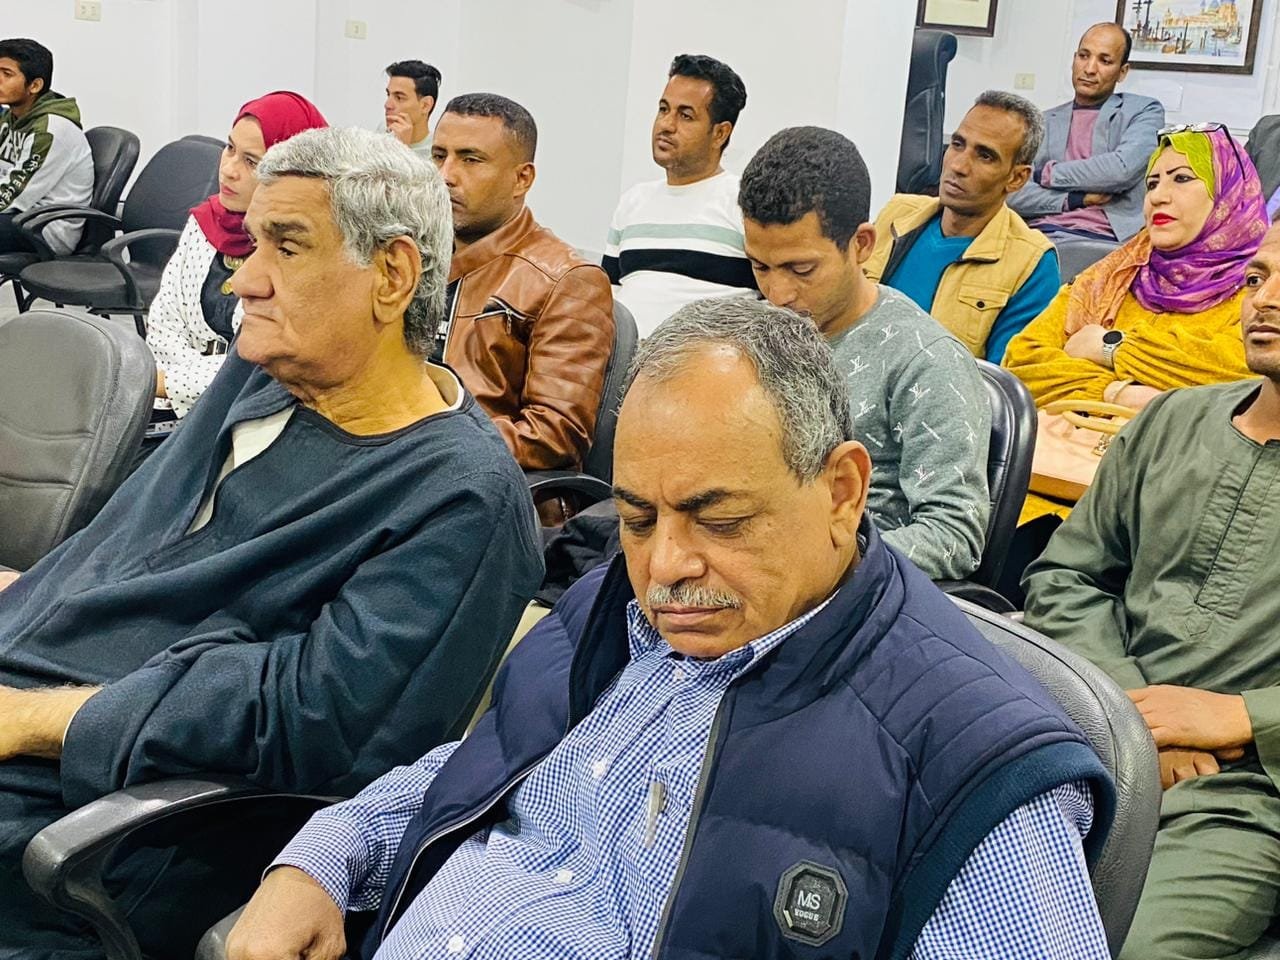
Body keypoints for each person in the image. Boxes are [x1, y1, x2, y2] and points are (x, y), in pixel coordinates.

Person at [228, 297, 1113, 960]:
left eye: (718, 519)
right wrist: (324, 855)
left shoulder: (969, 771)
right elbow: (484, 772)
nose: (665, 566)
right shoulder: (618, 609)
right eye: (638, 517)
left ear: (843, 492)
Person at [0, 127, 543, 958]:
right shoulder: (266, 370)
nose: (243, 280)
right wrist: (29, 598)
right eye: (253, 242)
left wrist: (30, 718)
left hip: (107, 822)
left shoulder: (462, 499)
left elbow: (316, 730)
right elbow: (131, 545)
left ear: (391, 276)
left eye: (285, 246)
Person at [1022, 220, 1280, 960]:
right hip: (1088, 735)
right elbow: (1067, 575)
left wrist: (1242, 715)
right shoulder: (1173, 420)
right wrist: (1134, 714)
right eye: (1257, 278)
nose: (1265, 300)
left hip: (1242, 793)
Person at [739, 125, 991, 581]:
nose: (777, 293)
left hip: (849, 588)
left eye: (801, 269)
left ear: (861, 245)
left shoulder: (926, 361)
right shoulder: (754, 331)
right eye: (760, 266)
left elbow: (953, 534)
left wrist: (817, 561)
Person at [1004, 124, 1268, 528]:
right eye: (1152, 183)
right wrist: (1123, 393)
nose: (1159, 196)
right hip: (1048, 485)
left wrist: (1111, 348)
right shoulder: (1111, 274)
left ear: (1228, 194)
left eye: (1182, 179)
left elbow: (1242, 378)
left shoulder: (1259, 290)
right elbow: (1023, 362)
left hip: (1172, 509)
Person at [431, 93, 614, 476]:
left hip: (485, 485)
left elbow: (555, 434)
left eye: (470, 159)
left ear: (522, 179)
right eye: (438, 156)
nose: (445, 175)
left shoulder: (566, 279)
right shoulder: (416, 258)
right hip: (407, 467)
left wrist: (428, 440)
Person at [141, 90, 327, 458]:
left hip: (256, 426)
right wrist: (183, 385)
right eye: (229, 148)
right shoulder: (205, 222)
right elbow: (162, 324)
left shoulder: (305, 251)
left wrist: (169, 383)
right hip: (176, 409)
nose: (228, 168)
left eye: (251, 161)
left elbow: (261, 369)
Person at [864, 91, 1061, 364]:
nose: (958, 166)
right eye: (957, 144)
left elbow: (1002, 380)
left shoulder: (1030, 263)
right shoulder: (898, 214)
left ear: (1017, 178)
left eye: (985, 156)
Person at [603, 53, 756, 337]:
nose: (666, 125)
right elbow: (608, 299)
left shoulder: (744, 203)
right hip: (622, 358)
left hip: (707, 360)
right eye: (663, 109)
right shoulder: (633, 202)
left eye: (685, 116)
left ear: (720, 133)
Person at [1009, 23, 1165, 243]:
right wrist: (1076, 199)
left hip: (1107, 238)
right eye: (1083, 56)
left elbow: (1119, 171)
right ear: (1074, 59)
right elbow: (1013, 192)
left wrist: (1045, 175)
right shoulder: (1042, 121)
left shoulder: (1143, 111)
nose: (1090, 69)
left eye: (1105, 61)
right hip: (1039, 233)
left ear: (1122, 72)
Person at [0, 38, 91, 255]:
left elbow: (13, 194)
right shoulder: (11, 118)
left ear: (34, 85)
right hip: (18, 214)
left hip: (44, 229)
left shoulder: (51, 130)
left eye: (7, 74)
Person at [384, 59, 441, 156]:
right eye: (388, 95)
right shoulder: (382, 133)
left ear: (425, 105)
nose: (387, 105)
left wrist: (401, 149)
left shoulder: (437, 154)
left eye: (399, 98)